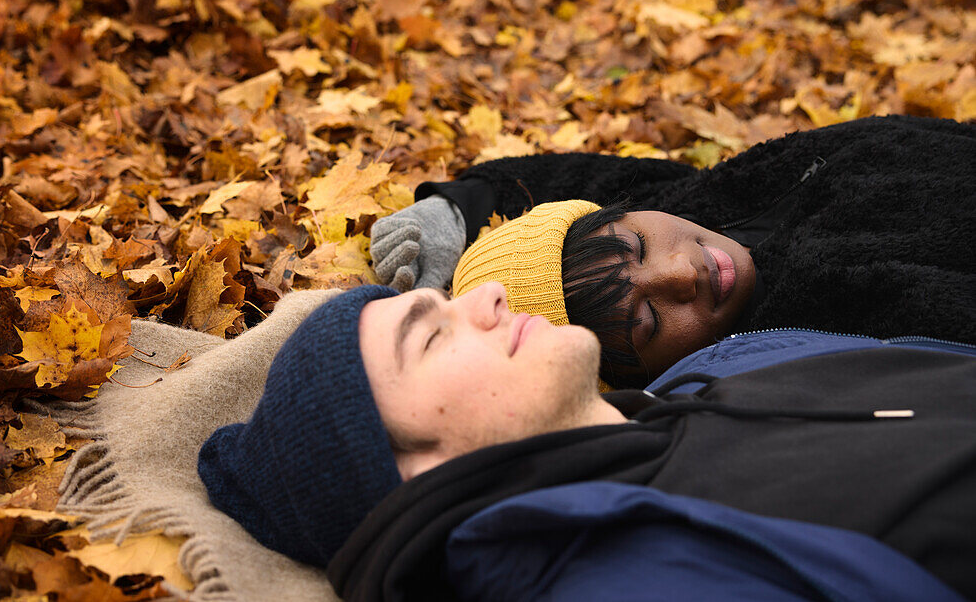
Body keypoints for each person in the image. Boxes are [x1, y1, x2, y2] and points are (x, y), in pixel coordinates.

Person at [198, 283, 976, 602]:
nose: (487, 297)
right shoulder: (636, 575)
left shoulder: (718, 364)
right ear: (406, 470)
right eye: (430, 338)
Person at [369, 115, 976, 386]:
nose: (682, 270)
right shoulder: (840, 319)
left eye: (635, 243)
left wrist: (459, 203)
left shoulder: (697, 202)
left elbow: (585, 179)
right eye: (651, 320)